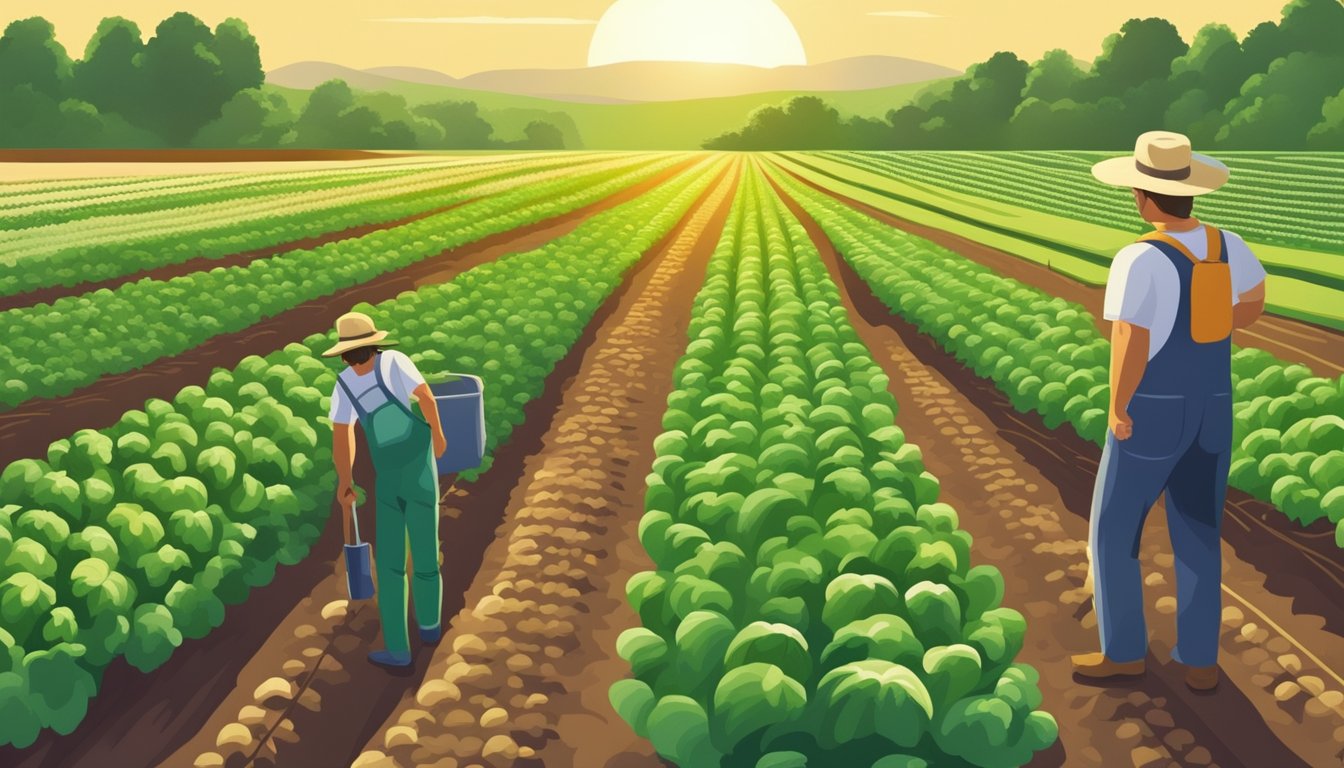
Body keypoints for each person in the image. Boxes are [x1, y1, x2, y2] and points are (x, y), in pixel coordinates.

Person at [1073, 131, 1266, 691]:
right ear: (1189, 192)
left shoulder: (1138, 257)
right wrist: (1217, 324)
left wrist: (1117, 405)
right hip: (1214, 403)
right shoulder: (1228, 244)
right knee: (1199, 530)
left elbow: (1128, 338)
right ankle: (1199, 661)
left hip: (1154, 407)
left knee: (1114, 530)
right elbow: (1254, 301)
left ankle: (1125, 652)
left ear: (1143, 196)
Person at [323, 311, 448, 668]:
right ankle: (429, 628)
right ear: (372, 343)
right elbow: (426, 399)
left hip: (393, 476)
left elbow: (342, 435)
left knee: (392, 563)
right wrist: (437, 436)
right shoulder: (392, 363)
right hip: (412, 471)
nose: (355, 361)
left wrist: (345, 482)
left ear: (346, 351)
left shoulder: (345, 383)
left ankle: (400, 647)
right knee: (422, 553)